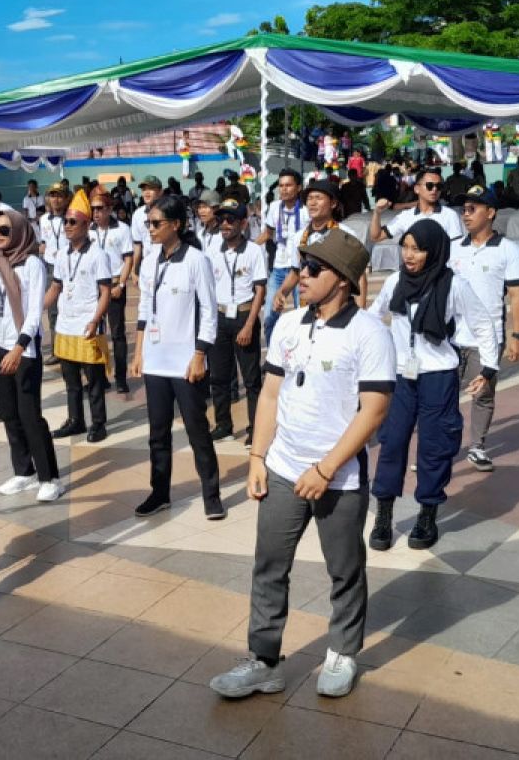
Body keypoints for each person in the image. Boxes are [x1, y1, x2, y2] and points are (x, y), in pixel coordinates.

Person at [210, 230, 393, 701]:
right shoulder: (288, 324)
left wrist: (327, 468)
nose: (302, 276)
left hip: (339, 477)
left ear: (344, 281)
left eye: (315, 269)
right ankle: (264, 660)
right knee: (269, 565)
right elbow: (270, 394)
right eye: (303, 265)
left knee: (344, 568)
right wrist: (257, 458)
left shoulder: (370, 332)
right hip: (283, 467)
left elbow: (372, 410)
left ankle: (343, 652)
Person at [368, 220, 498, 551]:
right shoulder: (395, 281)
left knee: (434, 446)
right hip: (400, 375)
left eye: (418, 248)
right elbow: (372, 316)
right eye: (405, 247)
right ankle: (384, 514)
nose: (409, 255)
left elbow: (483, 323)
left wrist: (489, 368)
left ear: (434, 251)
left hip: (438, 375)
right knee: (392, 442)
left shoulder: (453, 285)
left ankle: (427, 513)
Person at [131, 194, 223, 519]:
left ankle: (212, 495)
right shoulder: (150, 260)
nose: (151, 229)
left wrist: (199, 355)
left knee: (197, 431)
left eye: (156, 223)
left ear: (176, 225)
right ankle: (160, 493)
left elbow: (210, 314)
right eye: (148, 223)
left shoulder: (196, 260)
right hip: (156, 361)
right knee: (158, 433)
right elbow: (144, 307)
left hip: (186, 361)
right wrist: (139, 350)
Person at [0, 210, 64, 501]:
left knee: (30, 414)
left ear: (18, 231)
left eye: (4, 230)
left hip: (23, 348)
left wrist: (18, 346)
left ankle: (49, 476)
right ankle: (23, 471)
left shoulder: (32, 264)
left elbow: (33, 311)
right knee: (9, 412)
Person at [449, 186, 519, 472]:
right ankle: (441, 448)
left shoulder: (508, 249)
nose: (465, 215)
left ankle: (477, 446)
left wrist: (517, 336)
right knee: (443, 395)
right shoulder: (453, 246)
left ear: (490, 213)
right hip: (451, 337)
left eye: (472, 209)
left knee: (482, 395)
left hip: (487, 339)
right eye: (463, 210)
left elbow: (516, 296)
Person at [46, 190, 113, 442]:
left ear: (87, 225)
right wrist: (35, 310)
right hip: (65, 325)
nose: (67, 226)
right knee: (70, 380)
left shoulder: (98, 255)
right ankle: (75, 420)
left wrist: (96, 320)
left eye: (73, 222)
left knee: (94, 380)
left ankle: (98, 423)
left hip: (87, 324)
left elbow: (105, 292)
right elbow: (56, 287)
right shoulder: (62, 254)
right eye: (65, 221)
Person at [206, 197, 267, 445]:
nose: (225, 225)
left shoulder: (253, 251)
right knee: (219, 377)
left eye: (231, 220)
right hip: (220, 317)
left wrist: (250, 325)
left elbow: (260, 290)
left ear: (243, 223)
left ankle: (255, 428)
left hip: (244, 315)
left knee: (251, 380)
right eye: (221, 219)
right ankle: (223, 424)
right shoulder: (211, 251)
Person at [273, 180, 368, 311]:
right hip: (307, 307)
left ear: (333, 203)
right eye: (309, 198)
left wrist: (360, 310)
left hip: (337, 307)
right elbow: (296, 271)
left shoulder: (346, 235)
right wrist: (282, 292)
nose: (312, 203)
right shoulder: (299, 237)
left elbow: (360, 276)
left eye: (318, 198)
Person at [90, 186, 134, 394]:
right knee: (96, 332)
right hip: (94, 287)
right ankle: (100, 376)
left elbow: (128, 258)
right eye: (94, 209)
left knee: (117, 333)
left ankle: (121, 377)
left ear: (109, 209)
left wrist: (122, 284)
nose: (96, 213)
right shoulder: (88, 230)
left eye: (100, 208)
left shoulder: (122, 229)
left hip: (115, 284)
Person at [262, 169, 309, 342]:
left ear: (298, 187)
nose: (283, 189)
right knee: (269, 317)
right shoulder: (275, 207)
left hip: (301, 270)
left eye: (288, 185)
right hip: (279, 269)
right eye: (281, 186)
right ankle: (273, 361)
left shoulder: (306, 210)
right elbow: (268, 234)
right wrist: (249, 247)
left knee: (303, 316)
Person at [370, 168, 464, 245]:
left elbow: (456, 250)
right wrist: (377, 212)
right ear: (417, 189)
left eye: (439, 186)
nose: (434, 189)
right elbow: (376, 237)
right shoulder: (405, 216)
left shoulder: (450, 215)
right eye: (429, 185)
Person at [39, 181, 70, 365]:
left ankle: (71, 348)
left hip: (69, 266)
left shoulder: (73, 217)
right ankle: (57, 350)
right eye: (52, 195)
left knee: (70, 307)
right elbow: (43, 243)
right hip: (51, 267)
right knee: (53, 311)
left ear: (66, 198)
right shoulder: (44, 220)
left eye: (59, 195)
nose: (56, 199)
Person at [129, 175, 164, 278]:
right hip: (148, 266)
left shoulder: (169, 211)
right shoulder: (138, 214)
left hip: (168, 263)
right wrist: (135, 270)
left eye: (151, 189)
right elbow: (137, 245)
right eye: (144, 189)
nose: (146, 192)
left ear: (160, 192)